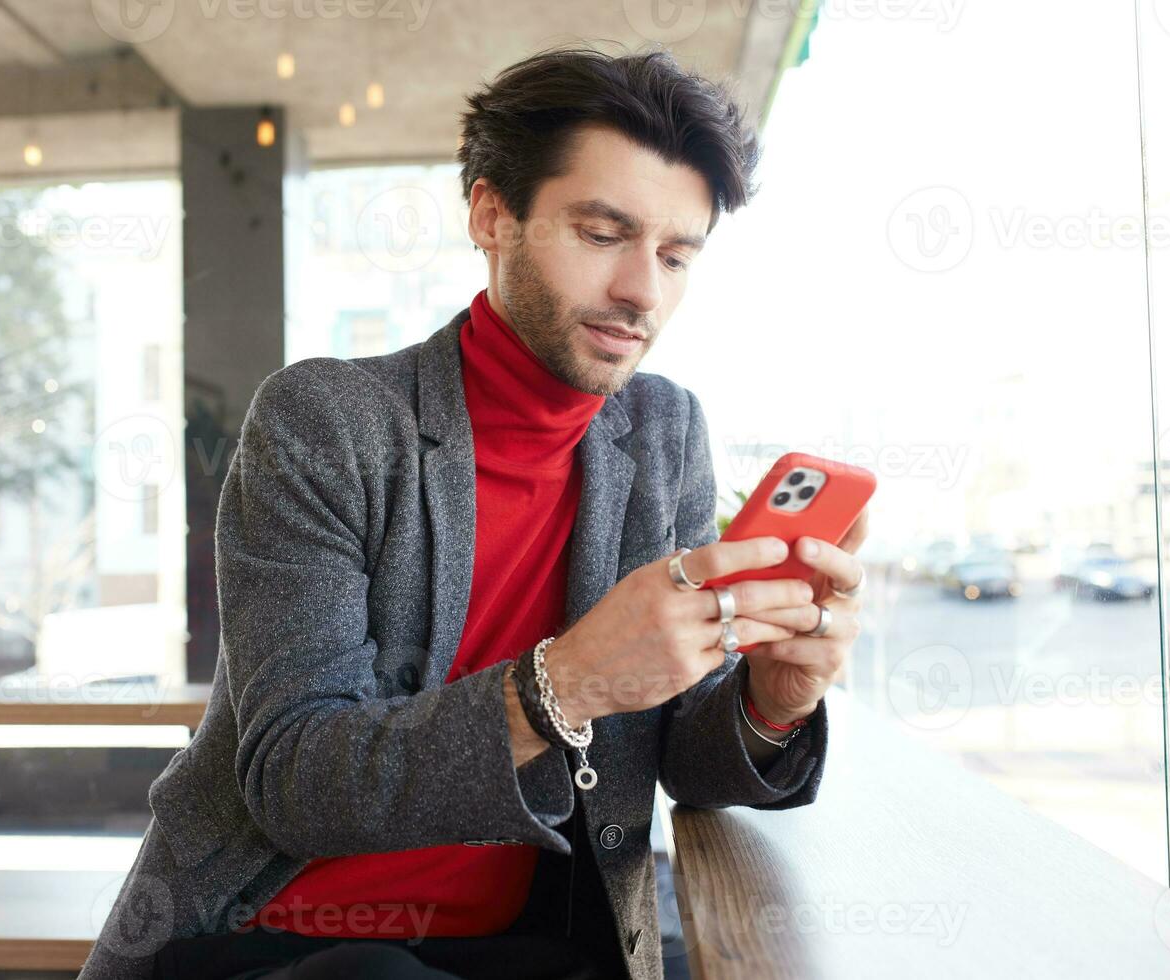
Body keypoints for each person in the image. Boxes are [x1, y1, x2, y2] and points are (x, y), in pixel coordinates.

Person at [80, 44, 868, 980]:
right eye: (602, 233)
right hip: (273, 938)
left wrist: (772, 705)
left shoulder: (662, 435)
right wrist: (565, 682)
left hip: (527, 939)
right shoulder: (327, 421)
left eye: (674, 255)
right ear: (493, 216)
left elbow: (677, 753)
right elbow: (296, 780)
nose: (642, 292)